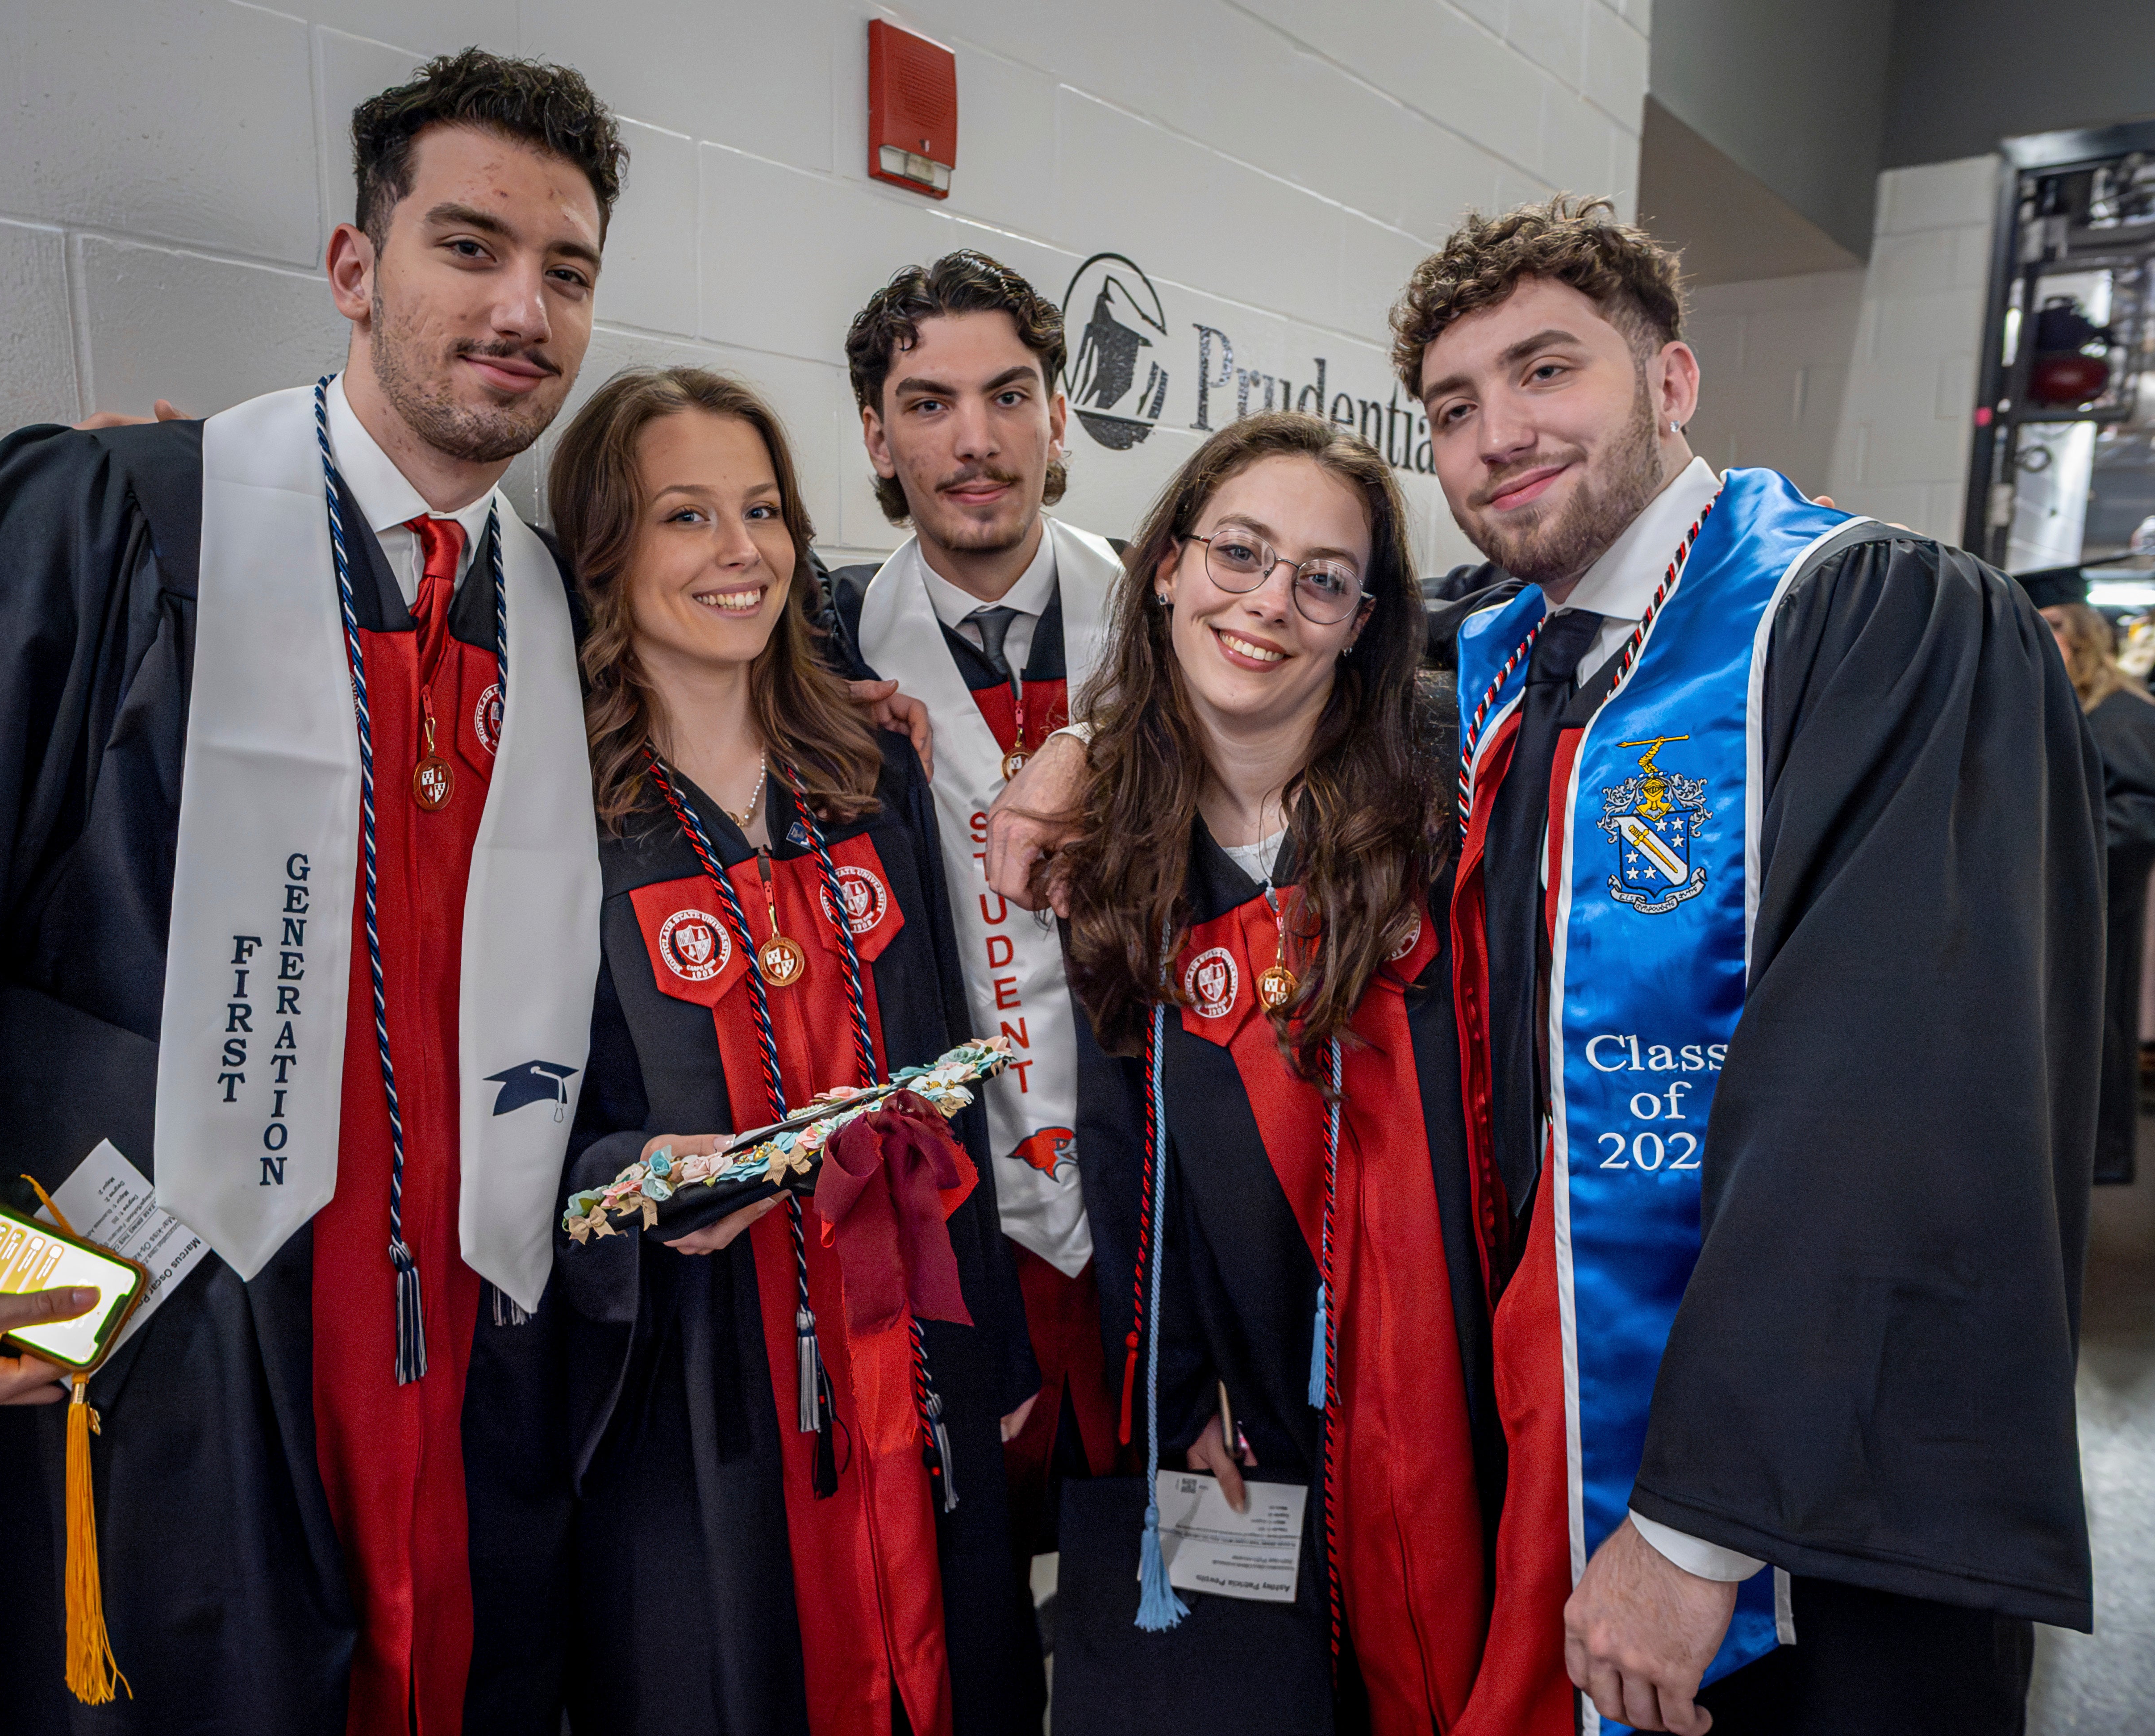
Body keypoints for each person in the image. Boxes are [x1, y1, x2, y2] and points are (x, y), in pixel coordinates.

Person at [989, 195, 2099, 1736]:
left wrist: (1697, 1521)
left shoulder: (1865, 620)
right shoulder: (1511, 660)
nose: (1499, 431)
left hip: (1789, 1525)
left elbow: (1891, 1110)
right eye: (1455, 406)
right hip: (1538, 1483)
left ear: (1670, 380)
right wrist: (1081, 743)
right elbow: (1262, 648)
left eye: (1545, 371)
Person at [0, 50, 623, 1734]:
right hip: (177, 1349)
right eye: (468, 245)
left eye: (566, 271)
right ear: (355, 267)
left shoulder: (552, 619)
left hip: (463, 1362)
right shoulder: (117, 523)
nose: (522, 306)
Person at [547, 366, 1043, 1736]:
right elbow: (521, 1129)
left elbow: (954, 1063)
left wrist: (992, 1354)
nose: (742, 553)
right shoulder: (558, 813)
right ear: (606, 552)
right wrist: (628, 1173)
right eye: (686, 517)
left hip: (916, 1344)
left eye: (763, 510)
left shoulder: (866, 774)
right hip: (703, 1381)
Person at [1046, 413, 1491, 1733]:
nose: (1269, 603)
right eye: (1240, 553)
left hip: (1446, 1385)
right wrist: (1181, 1386)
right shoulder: (1119, 848)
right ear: (1169, 565)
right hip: (1250, 1393)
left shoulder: (1449, 810)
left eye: (1322, 579)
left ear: (1365, 621)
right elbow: (1130, 1152)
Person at [824, 252, 1123, 1579]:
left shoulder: (1176, 624)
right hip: (964, 1221)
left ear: (1061, 415)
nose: (977, 440)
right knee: (981, 1603)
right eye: (929, 403)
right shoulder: (826, 652)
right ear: (877, 437)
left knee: (1172, 1597)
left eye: (1009, 395)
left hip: (1153, 1201)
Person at [2037, 588, 2155, 1185]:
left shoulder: (2123, 715)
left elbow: (2136, 816)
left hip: (2103, 899)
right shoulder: (2082, 708)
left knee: (2096, 1024)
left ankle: (2093, 1164)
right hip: (2073, 897)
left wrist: (2049, 846)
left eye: (2049, 633)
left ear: (2079, 640)